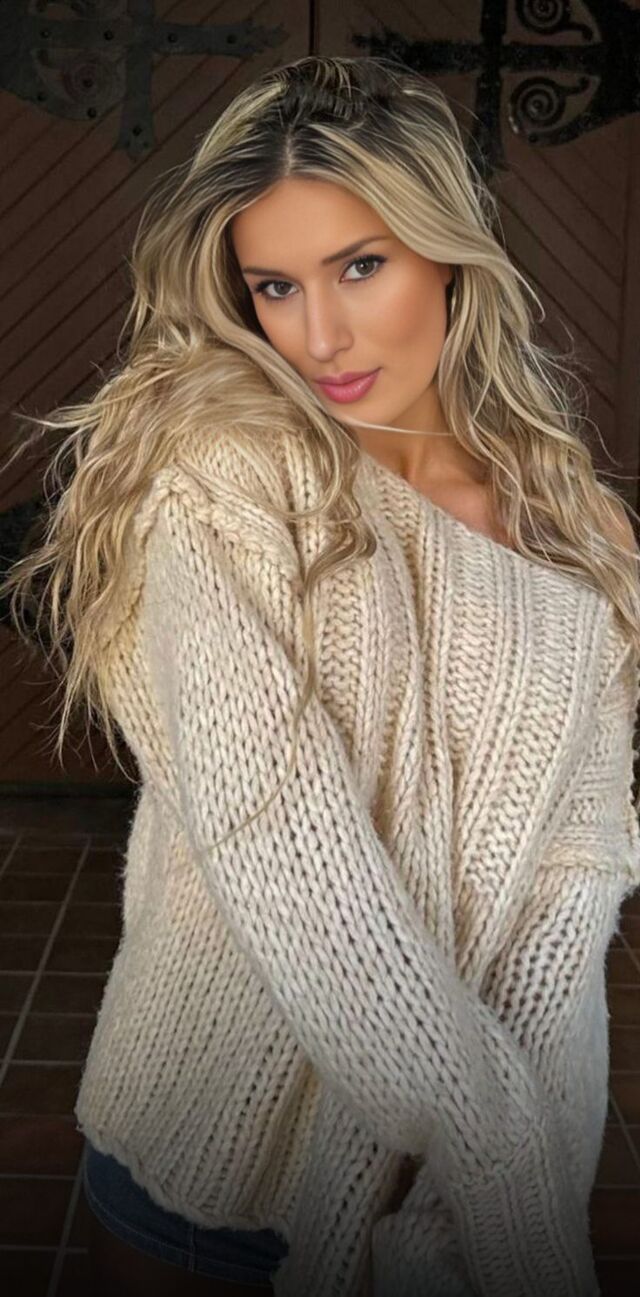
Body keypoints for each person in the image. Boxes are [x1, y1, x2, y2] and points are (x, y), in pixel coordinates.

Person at [2, 53, 640, 1297]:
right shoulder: (227, 474)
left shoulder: (579, 528)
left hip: (480, 1180)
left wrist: (506, 1162)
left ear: (446, 253)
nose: (321, 335)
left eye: (361, 266)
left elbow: (580, 858)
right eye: (276, 286)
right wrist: (495, 1153)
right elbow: (284, 850)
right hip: (215, 1159)